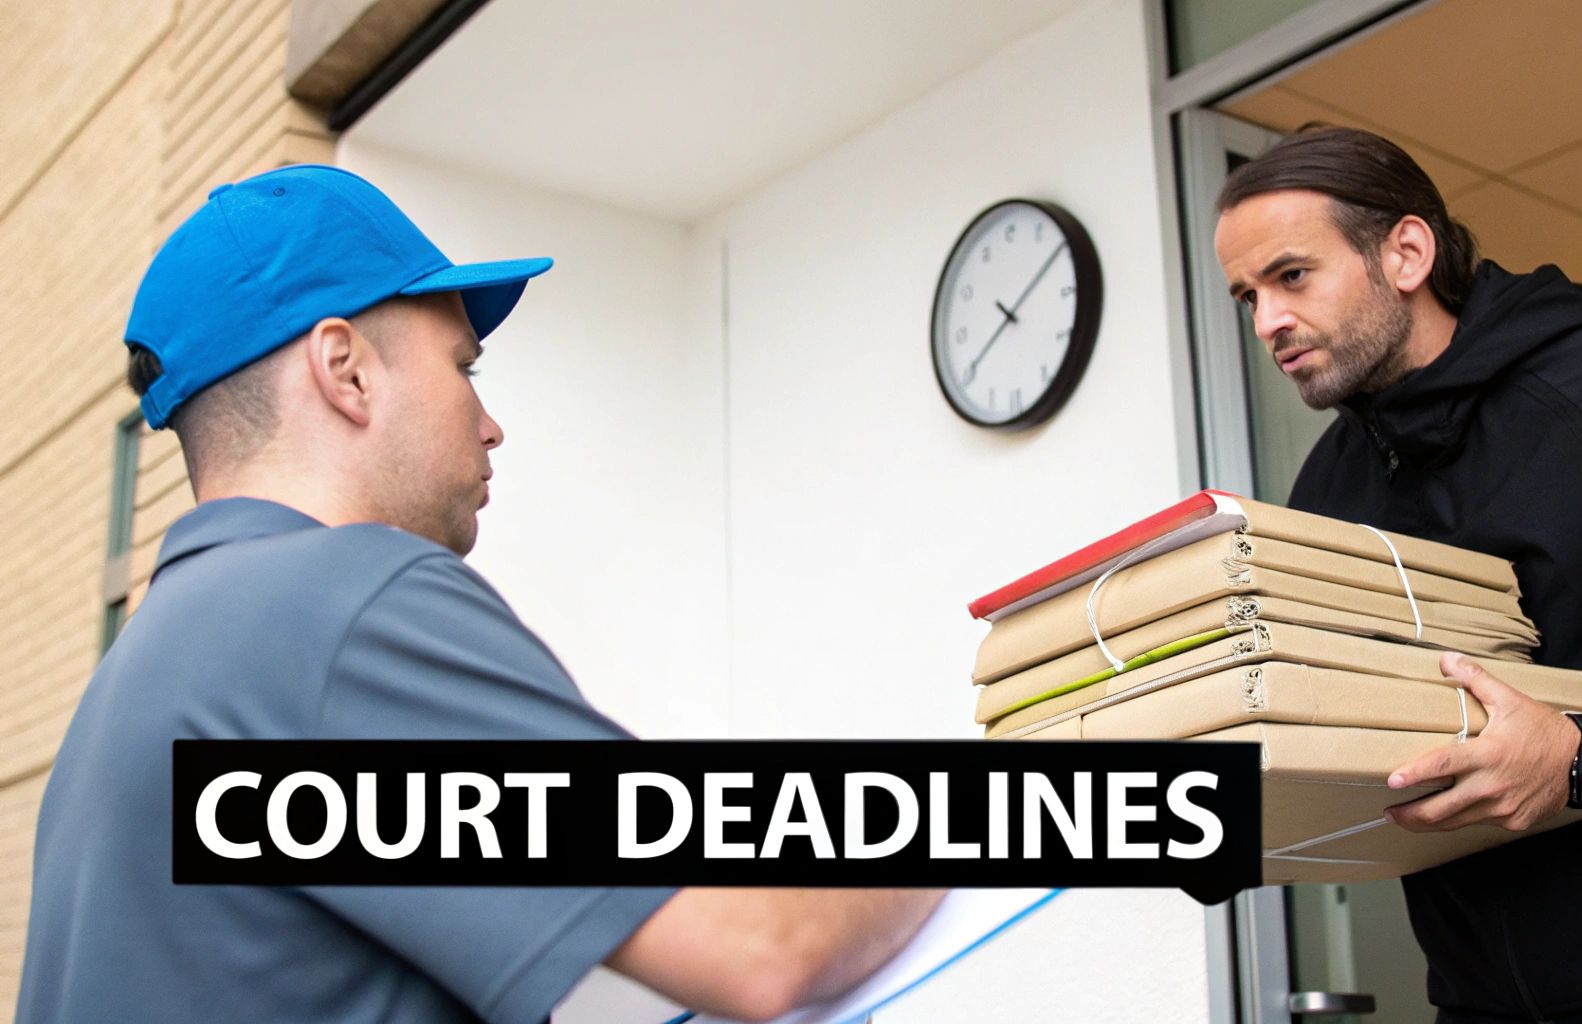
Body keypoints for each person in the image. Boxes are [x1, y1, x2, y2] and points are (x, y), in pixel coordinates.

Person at [16, 164, 941, 1024]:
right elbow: (757, 941)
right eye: (465, 367)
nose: (490, 425)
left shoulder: (134, 680)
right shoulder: (341, 607)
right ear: (344, 370)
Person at [1213, 126, 1582, 1022]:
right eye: (1246, 296)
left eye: (1291, 277)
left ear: (1406, 252)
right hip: (1478, 999)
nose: (1268, 322)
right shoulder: (1326, 487)